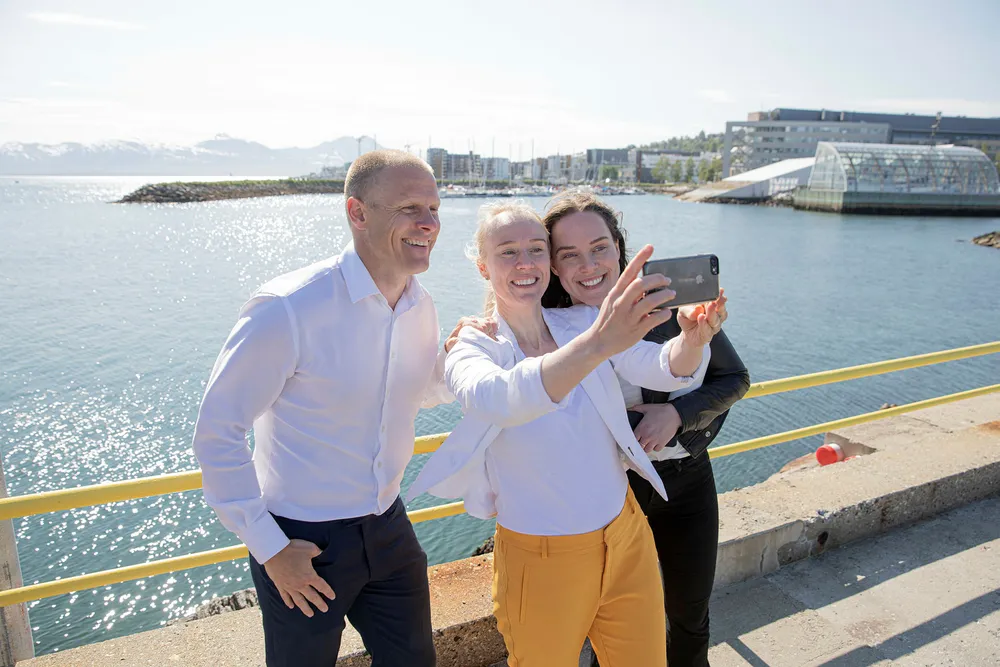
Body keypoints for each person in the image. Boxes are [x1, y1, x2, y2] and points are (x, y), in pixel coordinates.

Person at [408, 202, 720, 667]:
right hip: (542, 557)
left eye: (536, 249)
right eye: (507, 252)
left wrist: (692, 342)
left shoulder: (580, 322)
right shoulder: (474, 344)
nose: (525, 263)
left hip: (626, 535)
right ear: (483, 266)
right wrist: (596, 345)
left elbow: (659, 367)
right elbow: (496, 399)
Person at [191, 150, 456, 667]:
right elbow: (218, 431)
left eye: (433, 208)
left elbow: (414, 390)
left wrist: (466, 357)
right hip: (303, 543)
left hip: (389, 528)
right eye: (409, 208)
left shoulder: (419, 304)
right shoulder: (288, 307)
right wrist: (270, 548)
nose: (428, 223)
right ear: (357, 212)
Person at [540, 192, 751, 667]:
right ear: (552, 265)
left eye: (599, 247)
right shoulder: (544, 330)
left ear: (619, 247)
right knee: (611, 628)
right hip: (611, 493)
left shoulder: (667, 303)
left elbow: (733, 378)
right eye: (569, 254)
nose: (589, 265)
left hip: (687, 481)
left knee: (690, 617)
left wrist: (677, 416)